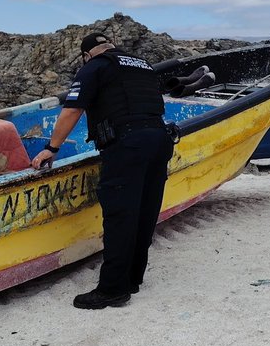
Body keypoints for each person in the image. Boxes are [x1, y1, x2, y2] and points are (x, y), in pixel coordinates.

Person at [31, 32, 174, 309]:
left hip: (128, 145)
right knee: (145, 211)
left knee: (121, 215)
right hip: (160, 140)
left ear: (86, 55)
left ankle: (113, 290)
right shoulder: (141, 64)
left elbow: (72, 110)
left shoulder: (94, 67)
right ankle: (133, 278)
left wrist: (52, 147)